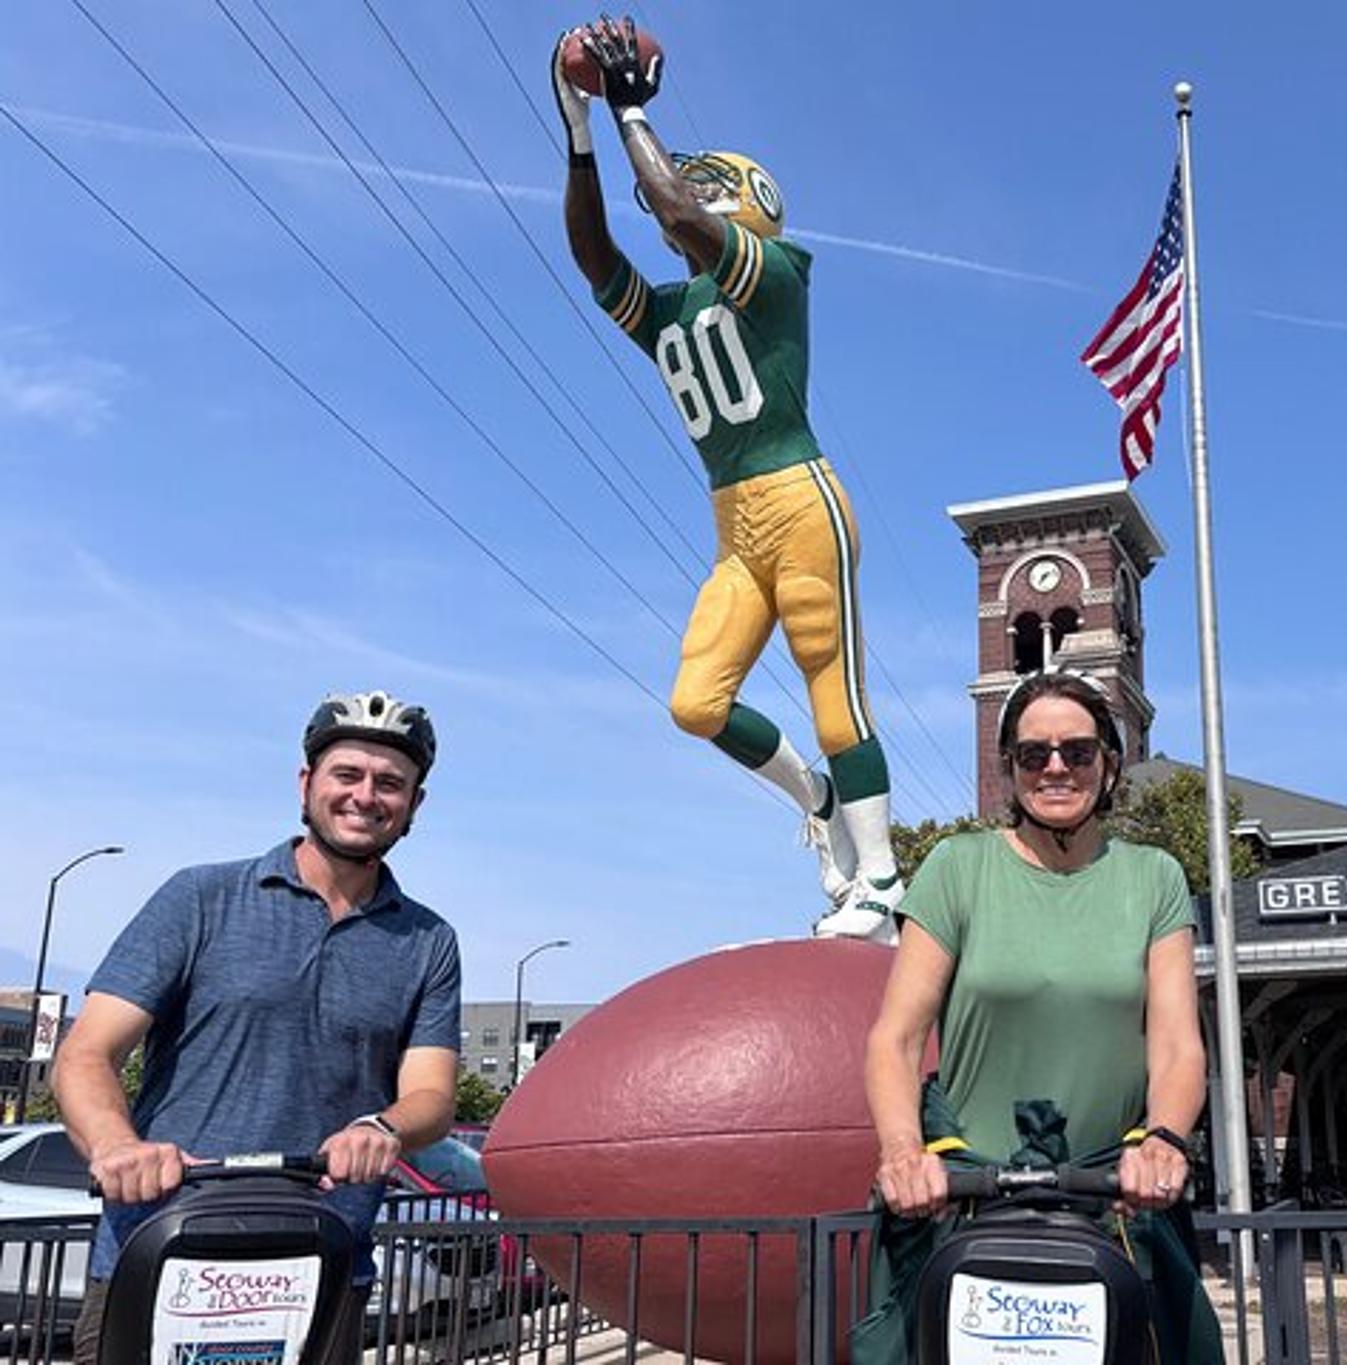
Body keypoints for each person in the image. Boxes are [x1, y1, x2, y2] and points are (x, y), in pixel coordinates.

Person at [554, 17, 899, 940]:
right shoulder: (671, 311)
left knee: (834, 688)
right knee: (696, 701)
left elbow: (675, 212)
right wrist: (581, 131)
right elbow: (597, 259)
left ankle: (883, 875)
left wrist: (629, 114)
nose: (683, 189)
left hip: (798, 494)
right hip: (734, 524)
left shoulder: (776, 271)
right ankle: (817, 800)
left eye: (708, 182)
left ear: (747, 200)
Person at [53, 691, 462, 1365]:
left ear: (414, 805)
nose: (366, 795)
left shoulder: (428, 940)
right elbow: (87, 1054)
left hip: (320, 1264)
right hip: (165, 1248)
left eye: (390, 782)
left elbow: (433, 1095)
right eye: (347, 774)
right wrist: (116, 1146)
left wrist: (381, 1128)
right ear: (307, 784)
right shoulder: (200, 897)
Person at [861, 670, 1221, 1362]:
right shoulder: (956, 868)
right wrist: (903, 1153)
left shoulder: (1154, 877)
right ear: (1010, 770)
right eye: (1034, 754)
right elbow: (897, 1037)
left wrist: (1165, 1141)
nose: (1056, 766)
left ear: (1109, 764)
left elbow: (1177, 1044)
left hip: (1113, 1200)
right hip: (967, 1196)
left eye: (1077, 751)